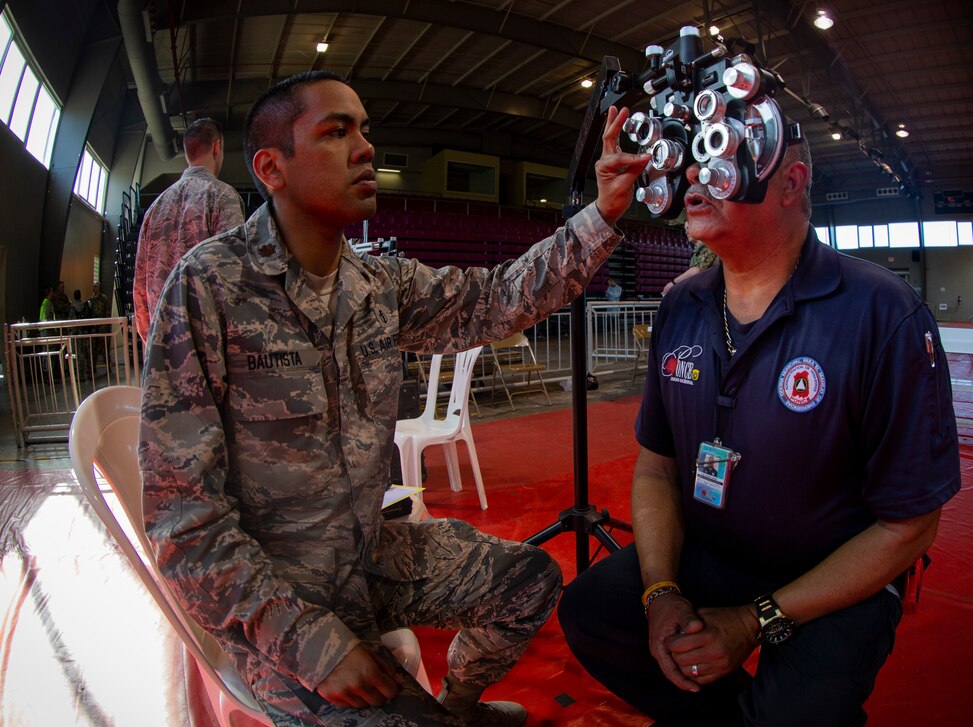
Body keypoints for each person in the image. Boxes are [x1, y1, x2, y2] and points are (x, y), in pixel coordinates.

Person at [139, 70, 649, 727]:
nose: (365, 148)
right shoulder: (209, 286)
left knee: (531, 580)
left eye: (364, 130)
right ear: (272, 167)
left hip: (366, 557)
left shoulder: (378, 281)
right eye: (335, 132)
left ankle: (458, 708)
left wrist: (603, 211)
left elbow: (498, 299)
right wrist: (310, 643)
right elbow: (182, 522)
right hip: (277, 607)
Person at [559, 135, 961, 725]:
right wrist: (662, 591)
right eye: (691, 166)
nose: (695, 180)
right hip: (713, 554)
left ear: (792, 184)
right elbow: (656, 466)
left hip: (834, 574)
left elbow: (909, 525)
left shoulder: (882, 312)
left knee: (795, 714)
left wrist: (754, 619)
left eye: (721, 164)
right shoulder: (683, 305)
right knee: (592, 611)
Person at [133, 117, 244, 342]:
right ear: (217, 147)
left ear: (187, 153)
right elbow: (234, 273)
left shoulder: (154, 209)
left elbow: (140, 288)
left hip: (162, 345)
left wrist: (152, 342)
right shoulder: (223, 196)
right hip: (208, 346)